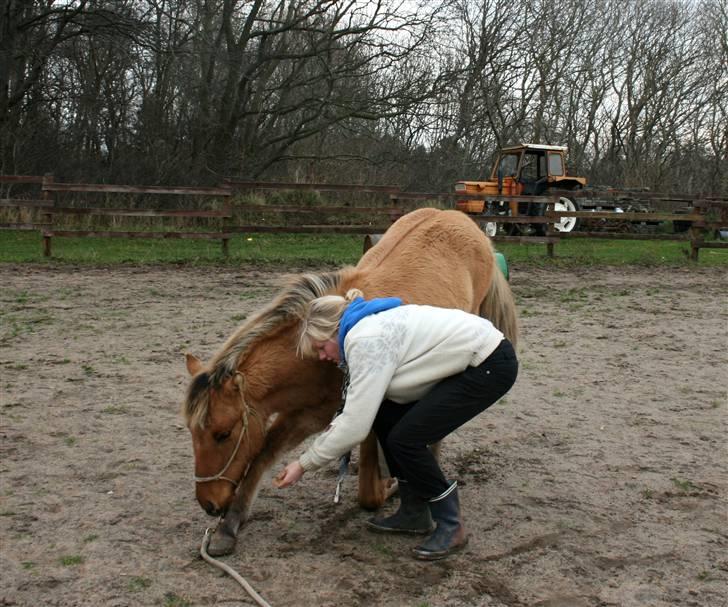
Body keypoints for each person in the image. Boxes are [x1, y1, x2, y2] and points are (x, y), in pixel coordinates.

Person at [274, 288, 518, 560]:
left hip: (489, 364)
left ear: (333, 331)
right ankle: (414, 513)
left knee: (407, 439)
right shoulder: (364, 328)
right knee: (386, 415)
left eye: (321, 347)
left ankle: (452, 525)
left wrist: (303, 464)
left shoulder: (364, 339)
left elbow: (355, 425)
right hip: (475, 358)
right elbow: (363, 409)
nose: (322, 356)